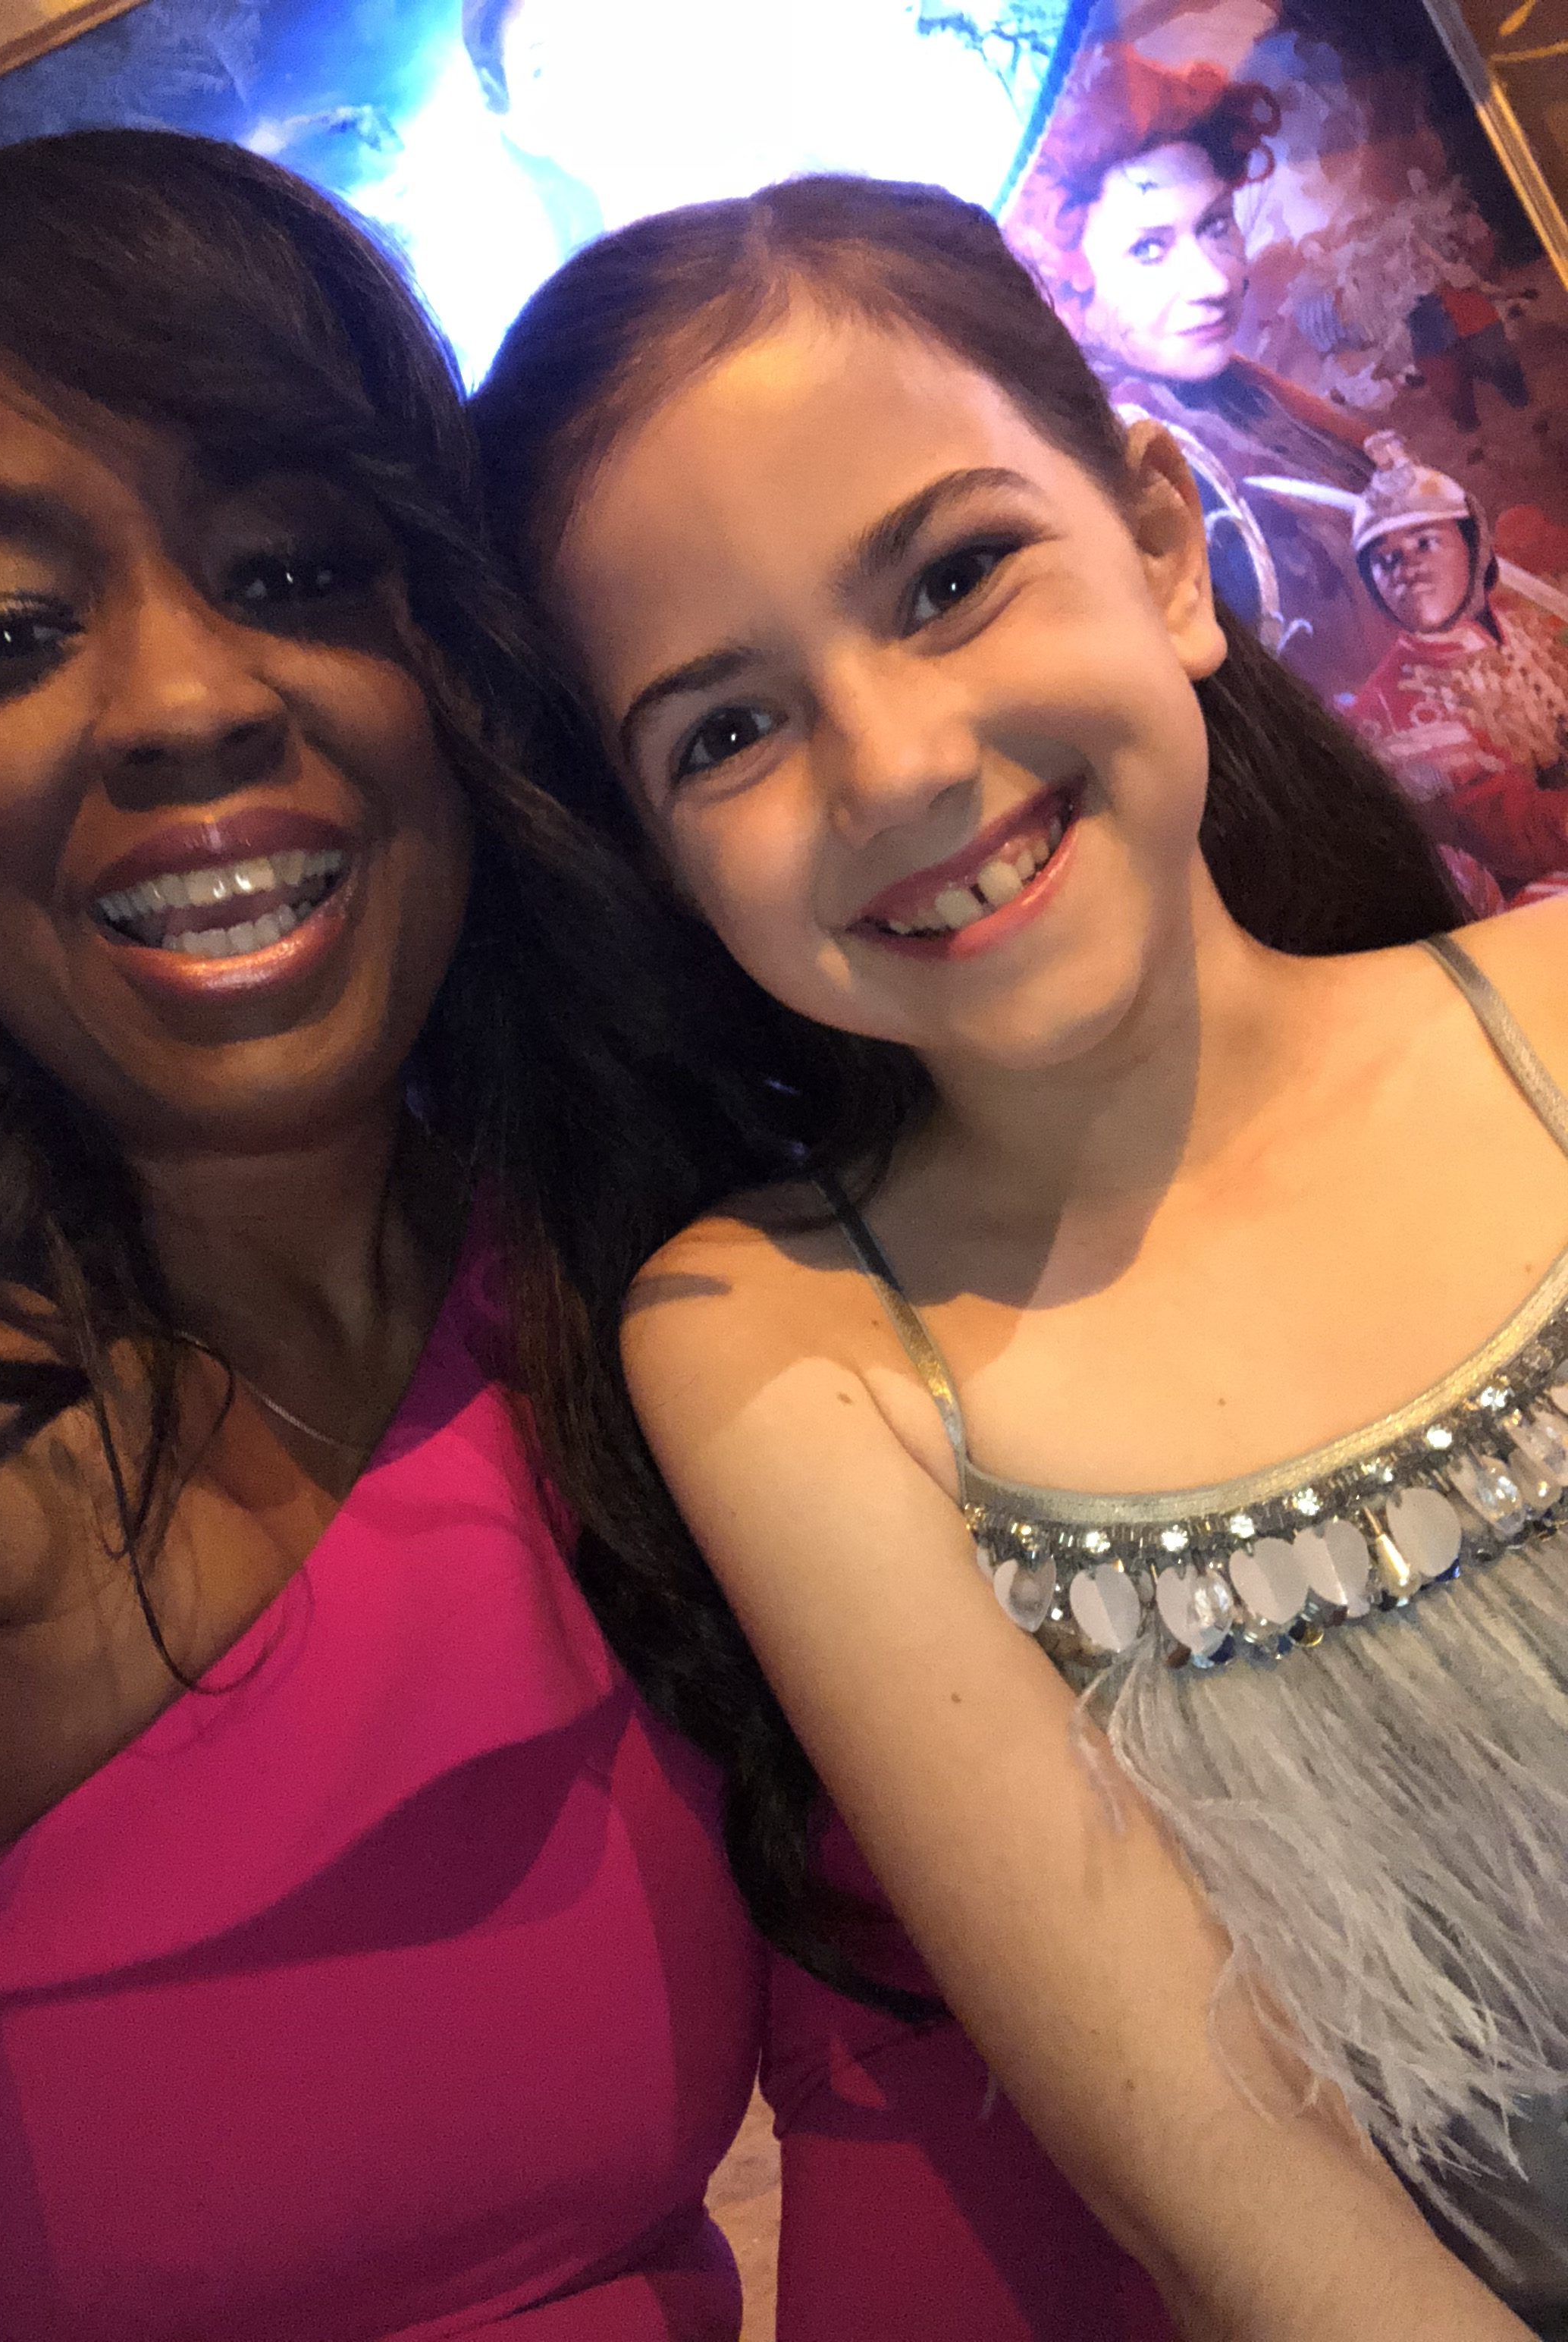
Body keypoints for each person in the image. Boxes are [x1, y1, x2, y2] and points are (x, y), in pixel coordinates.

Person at [0, 131, 1179, 2340]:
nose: (182, 700)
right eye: (4, 632)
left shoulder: (663, 1297)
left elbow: (916, 2068)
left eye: (292, 567)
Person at [473, 172, 1568, 2334]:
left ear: (1158, 544)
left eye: (954, 579)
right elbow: (1242, 2207)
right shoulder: (776, 1346)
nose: (896, 766)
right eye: (725, 730)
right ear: (656, 857)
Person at [1005, 43, 1385, 705]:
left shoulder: (1243, 393)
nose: (1213, 281)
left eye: (1215, 226)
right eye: (1149, 249)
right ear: (1069, 270)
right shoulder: (1105, 461)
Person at [1344, 435, 1568, 902]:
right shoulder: (1387, 709)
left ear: (1474, 545)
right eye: (1385, 560)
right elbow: (1513, 837)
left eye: (1424, 543)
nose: (1407, 568)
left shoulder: (1527, 622)